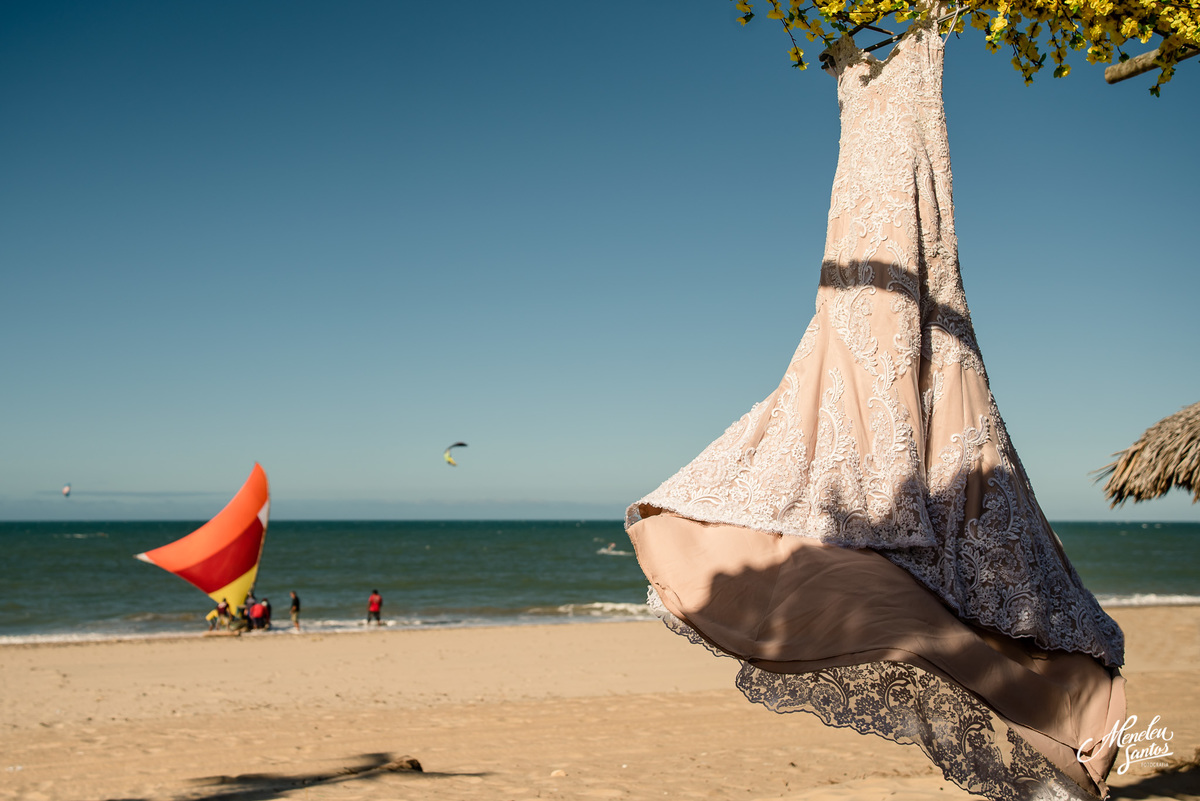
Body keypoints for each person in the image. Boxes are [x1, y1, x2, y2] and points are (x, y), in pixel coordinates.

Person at [624, 15, 1123, 801]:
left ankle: (1061, 705)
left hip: (918, 272)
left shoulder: (927, 36)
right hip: (851, 283)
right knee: (859, 496)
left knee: (957, 518)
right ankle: (1044, 704)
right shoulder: (848, 65)